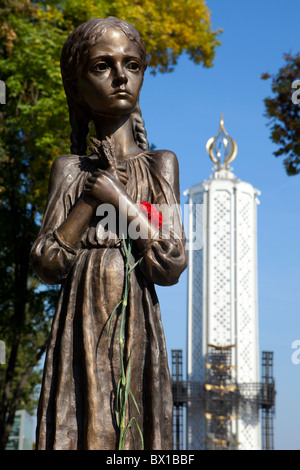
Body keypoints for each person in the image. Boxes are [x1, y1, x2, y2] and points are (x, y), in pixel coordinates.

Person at [30, 16, 187, 450]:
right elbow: (45, 262)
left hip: (135, 317)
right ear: (76, 85)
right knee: (81, 421)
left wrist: (119, 200)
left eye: (132, 65)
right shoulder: (69, 169)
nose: (121, 76)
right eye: (102, 66)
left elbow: (171, 261)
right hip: (80, 318)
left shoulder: (161, 165)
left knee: (132, 429)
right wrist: (88, 202)